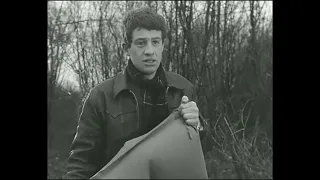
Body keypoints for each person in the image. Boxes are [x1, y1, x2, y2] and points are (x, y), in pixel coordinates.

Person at [63, 7, 208, 179]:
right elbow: (81, 162)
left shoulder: (183, 89)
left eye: (155, 42)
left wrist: (198, 125)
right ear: (127, 48)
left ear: (163, 45)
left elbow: (198, 152)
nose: (149, 51)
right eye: (141, 43)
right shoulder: (101, 96)